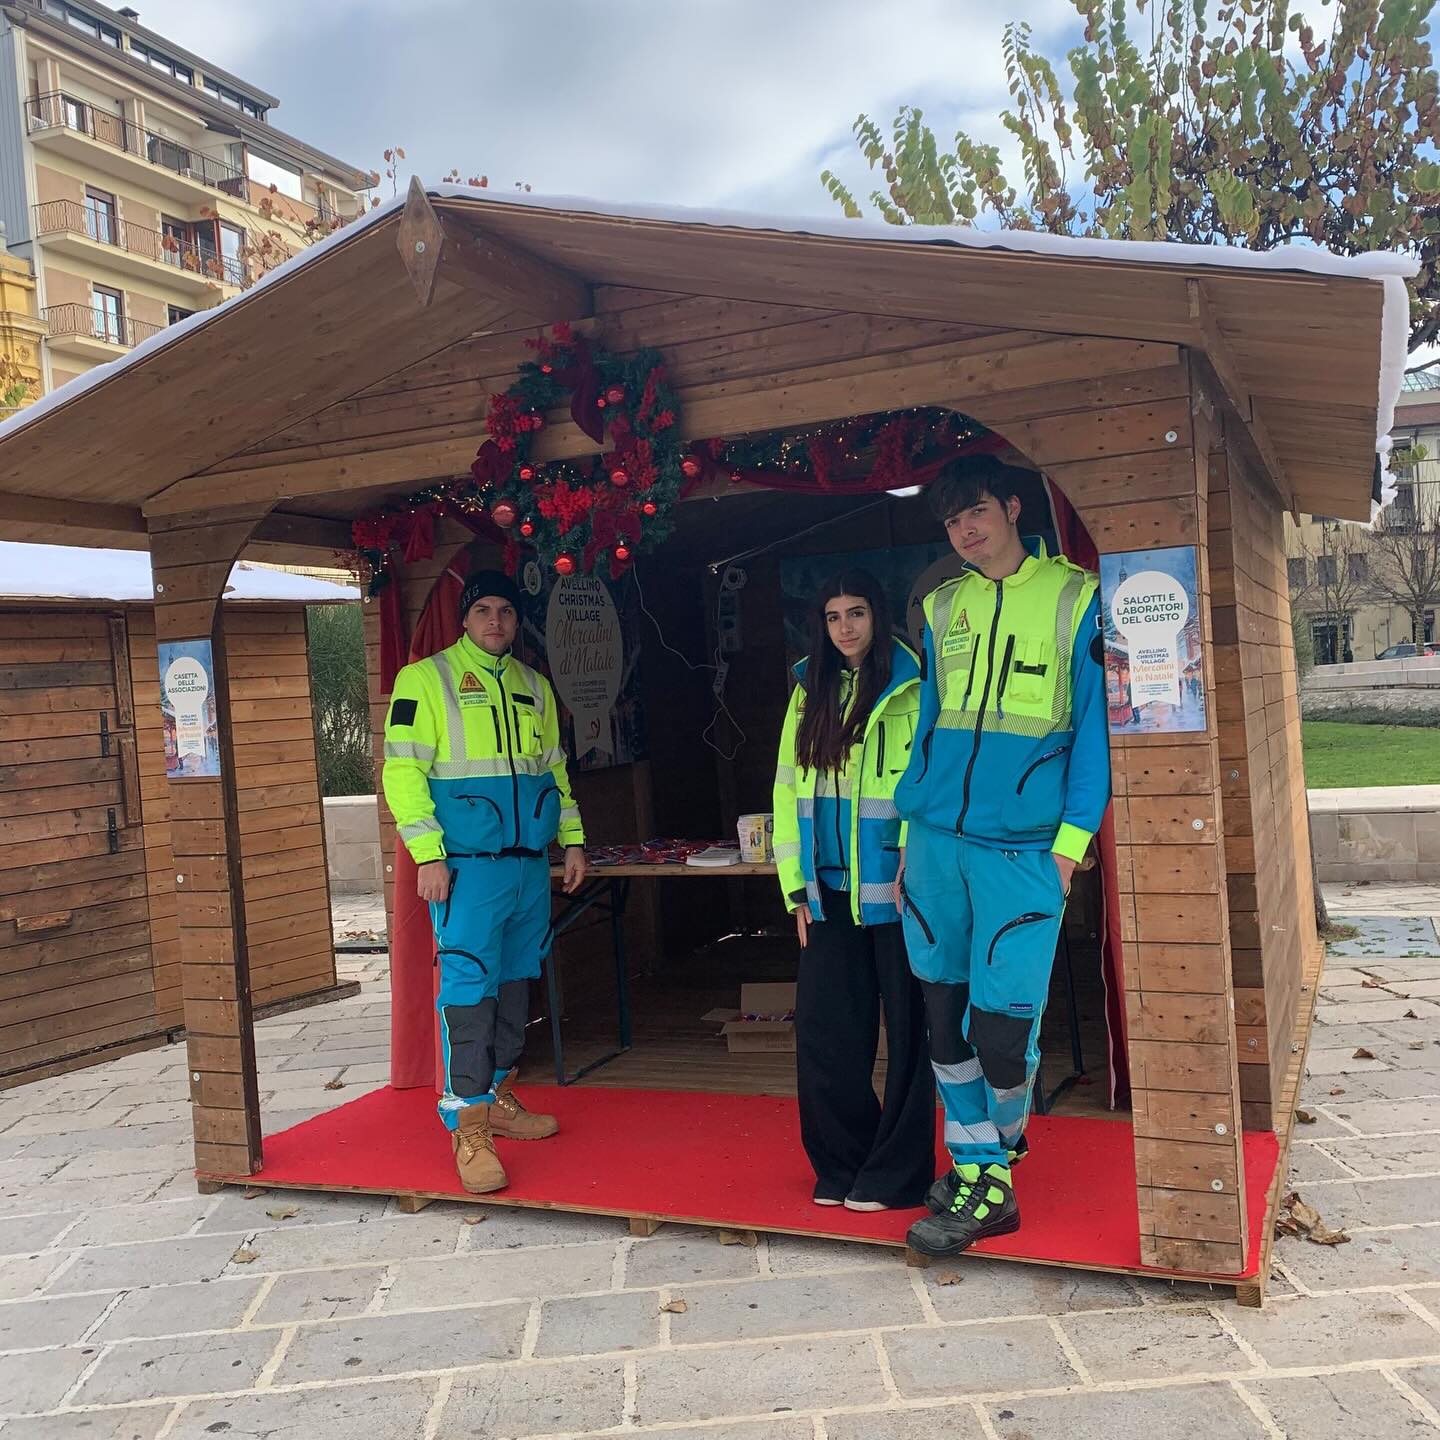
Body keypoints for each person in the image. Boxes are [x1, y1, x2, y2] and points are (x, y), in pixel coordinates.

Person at [896, 458, 1109, 1257]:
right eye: (953, 523)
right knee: (943, 1019)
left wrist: (1069, 845)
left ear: (1013, 508)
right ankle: (985, 1174)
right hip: (935, 846)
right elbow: (929, 723)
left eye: (977, 512)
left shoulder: (1076, 599)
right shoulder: (940, 604)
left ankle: (994, 1153)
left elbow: (1095, 731)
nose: (966, 530)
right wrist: (911, 810)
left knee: (1000, 1030)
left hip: (1022, 852)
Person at [382, 568, 587, 1194]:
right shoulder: (424, 679)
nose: (494, 621)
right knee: (469, 994)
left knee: (517, 986)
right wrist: (428, 855)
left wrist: (572, 841)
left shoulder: (534, 685)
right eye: (482, 611)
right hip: (466, 870)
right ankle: (466, 1126)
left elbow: (556, 771)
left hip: (527, 868)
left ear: (516, 620)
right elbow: (402, 773)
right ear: (465, 619)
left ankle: (498, 1096)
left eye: (504, 611)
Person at [772, 571, 937, 1212]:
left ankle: (897, 1175)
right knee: (825, 1035)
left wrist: (919, 870)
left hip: (897, 892)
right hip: (828, 895)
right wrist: (795, 889)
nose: (845, 627)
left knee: (911, 1037)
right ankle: (841, 1163)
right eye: (835, 615)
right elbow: (787, 790)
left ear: (880, 615)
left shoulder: (915, 683)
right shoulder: (807, 685)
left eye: (858, 612)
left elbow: (931, 783)